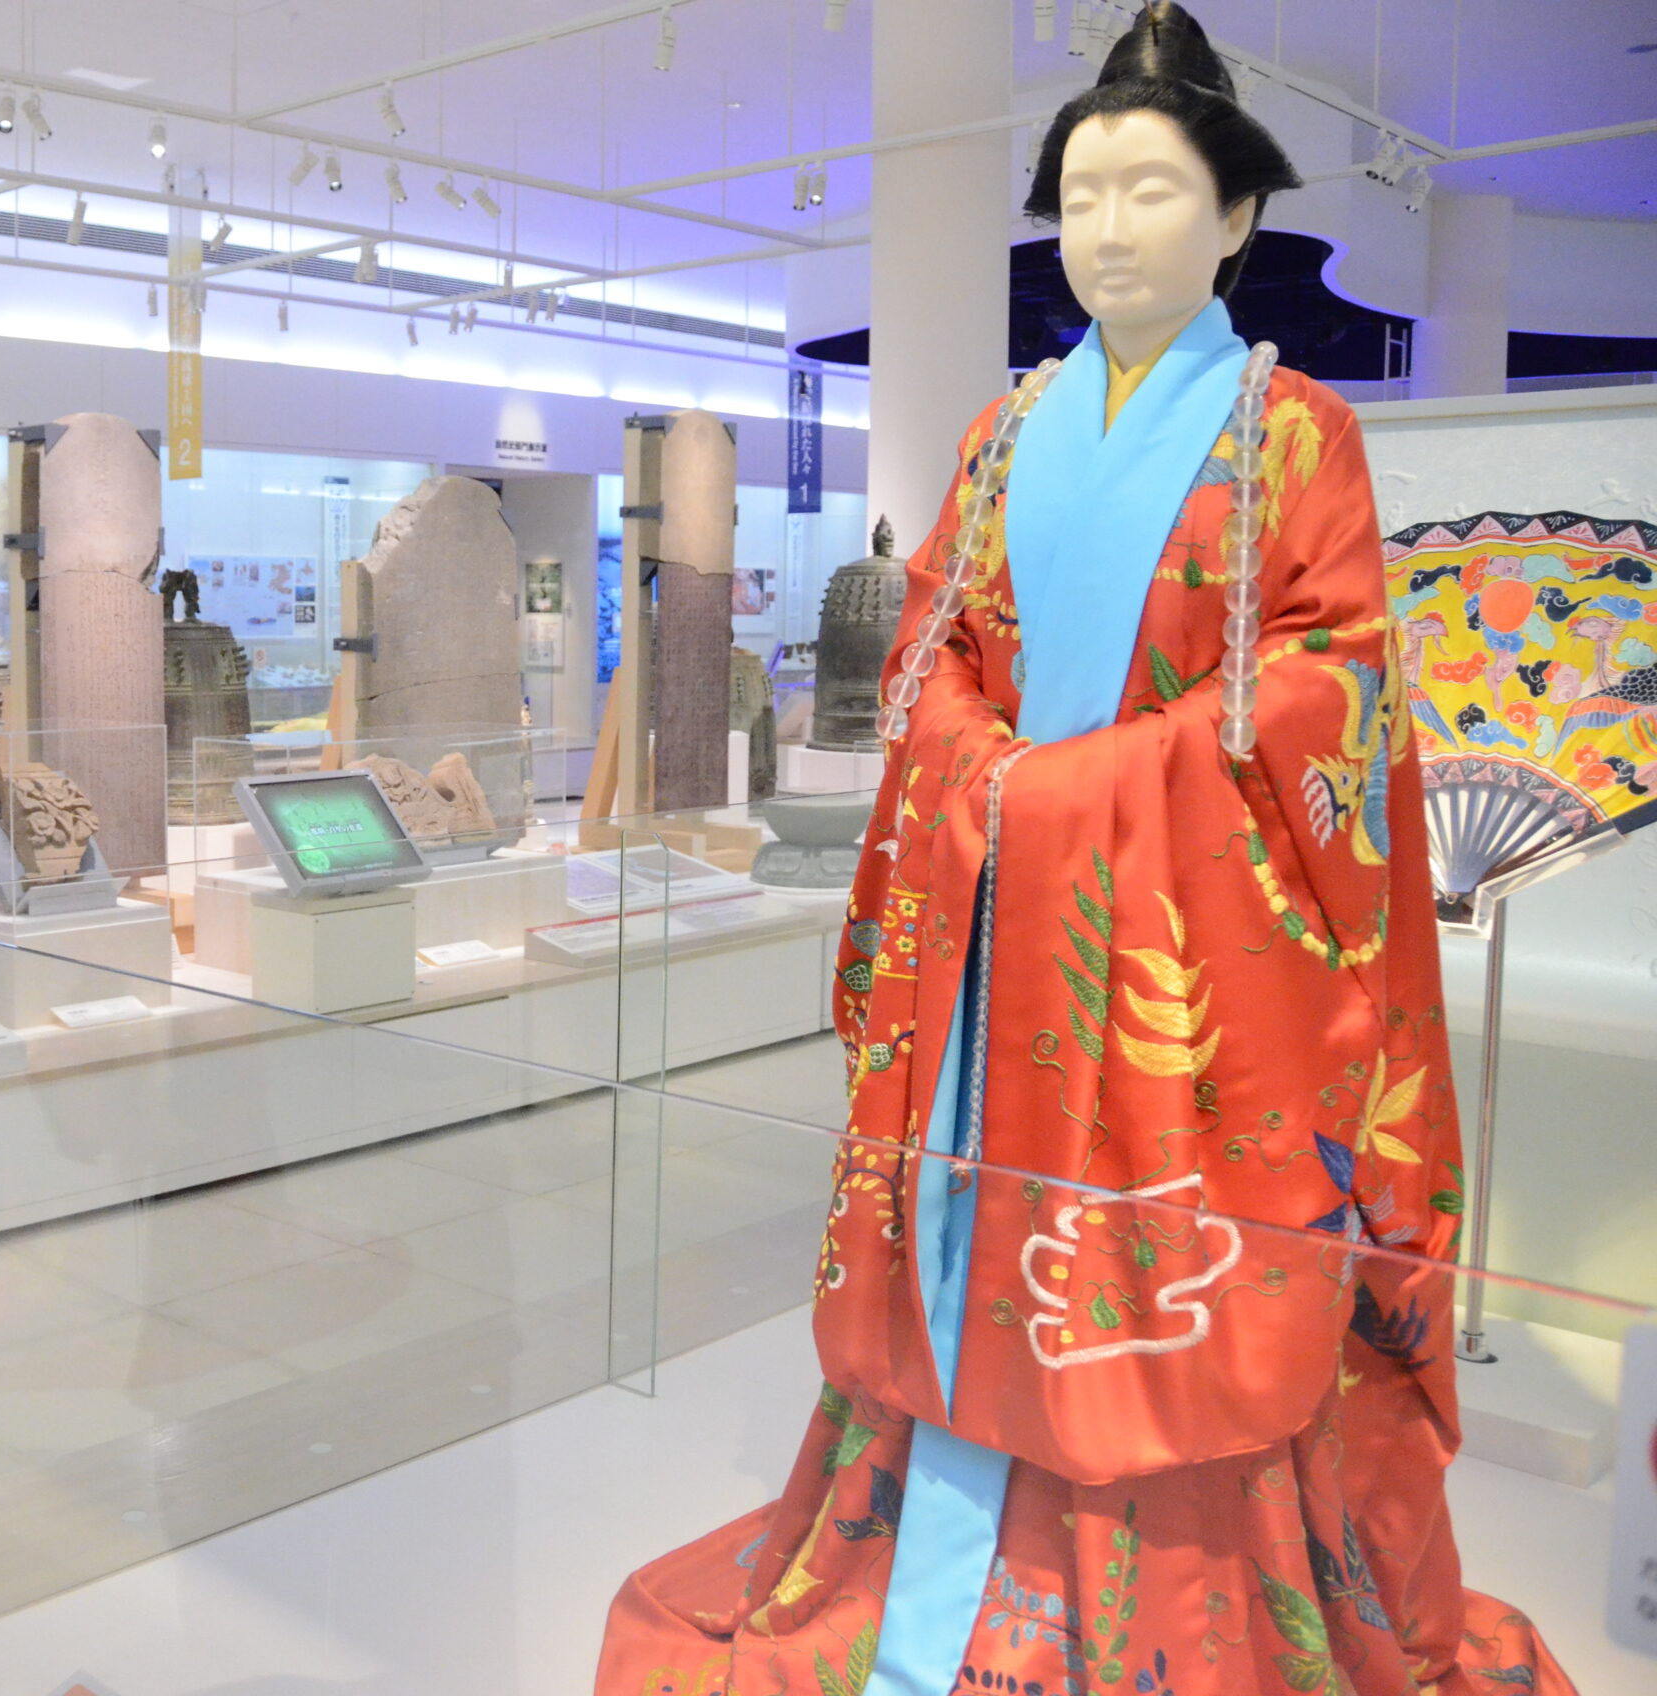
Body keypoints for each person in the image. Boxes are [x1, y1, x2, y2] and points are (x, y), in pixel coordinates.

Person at [594, 8, 1573, 1695]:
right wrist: (990, 775)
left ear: (1240, 221)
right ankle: (938, 1576)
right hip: (996, 951)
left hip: (1175, 971)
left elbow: (1331, 697)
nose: (1108, 228)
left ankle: (1176, 1608)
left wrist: (1084, 793)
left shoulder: (1294, 439)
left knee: (1171, 1268)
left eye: (1151, 190)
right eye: (1085, 193)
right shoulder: (1003, 428)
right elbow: (934, 659)